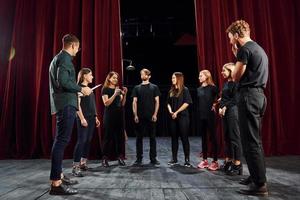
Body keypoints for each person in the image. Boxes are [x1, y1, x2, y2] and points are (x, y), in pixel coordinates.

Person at [226, 20, 269, 196]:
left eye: (230, 38)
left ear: (236, 35)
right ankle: (255, 176)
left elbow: (235, 76)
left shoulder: (244, 50)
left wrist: (236, 54)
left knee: (251, 141)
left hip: (249, 97)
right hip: (258, 96)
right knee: (254, 140)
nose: (230, 42)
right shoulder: (258, 48)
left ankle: (260, 184)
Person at [49, 34, 92, 195]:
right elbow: (63, 81)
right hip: (66, 105)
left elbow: (62, 84)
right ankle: (56, 183)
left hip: (64, 103)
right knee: (61, 142)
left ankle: (58, 175)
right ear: (73, 45)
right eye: (78, 48)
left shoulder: (57, 58)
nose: (77, 51)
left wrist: (76, 92)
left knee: (60, 141)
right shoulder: (65, 59)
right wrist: (81, 89)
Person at [72, 68, 100, 177]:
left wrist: (96, 117)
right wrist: (82, 118)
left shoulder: (89, 89)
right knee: (81, 140)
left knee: (87, 141)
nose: (92, 77)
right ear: (84, 76)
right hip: (83, 118)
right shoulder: (80, 89)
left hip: (91, 118)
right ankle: (75, 167)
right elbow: (77, 105)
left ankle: (83, 163)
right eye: (91, 75)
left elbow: (92, 105)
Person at [131, 68, 161, 165]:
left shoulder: (154, 87)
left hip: (151, 116)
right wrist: (135, 114)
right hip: (140, 116)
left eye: (144, 74)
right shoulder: (137, 88)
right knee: (139, 138)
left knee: (152, 137)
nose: (142, 76)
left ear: (149, 76)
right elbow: (134, 102)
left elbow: (157, 102)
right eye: (141, 74)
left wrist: (155, 114)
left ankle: (153, 158)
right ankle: (139, 158)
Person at [219, 63, 242, 176]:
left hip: (233, 111)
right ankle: (229, 160)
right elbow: (224, 98)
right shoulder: (226, 83)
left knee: (234, 137)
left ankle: (237, 164)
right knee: (227, 136)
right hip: (225, 112)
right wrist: (219, 107)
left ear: (231, 70)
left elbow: (235, 99)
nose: (222, 72)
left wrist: (224, 107)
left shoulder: (236, 83)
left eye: (224, 70)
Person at [101, 71, 127, 167]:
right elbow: (106, 103)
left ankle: (120, 157)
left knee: (120, 138)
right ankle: (104, 159)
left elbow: (122, 104)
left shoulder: (118, 90)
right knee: (108, 138)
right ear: (109, 78)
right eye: (114, 78)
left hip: (119, 116)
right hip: (109, 116)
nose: (116, 79)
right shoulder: (105, 89)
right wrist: (115, 94)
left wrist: (125, 94)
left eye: (117, 78)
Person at [167, 72, 192, 167]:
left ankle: (187, 159)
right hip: (173, 117)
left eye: (173, 78)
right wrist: (170, 111)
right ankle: (174, 158)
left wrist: (176, 112)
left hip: (183, 117)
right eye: (172, 78)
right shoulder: (171, 90)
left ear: (179, 78)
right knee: (174, 138)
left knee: (184, 138)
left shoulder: (185, 90)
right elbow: (168, 103)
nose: (172, 79)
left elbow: (187, 103)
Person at [196, 70, 219, 171]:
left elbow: (221, 97)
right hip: (201, 116)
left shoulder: (213, 88)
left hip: (210, 116)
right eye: (199, 76)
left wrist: (215, 104)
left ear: (206, 76)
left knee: (213, 137)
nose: (199, 77)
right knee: (204, 138)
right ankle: (205, 160)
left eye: (201, 76)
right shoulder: (199, 89)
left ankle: (215, 161)